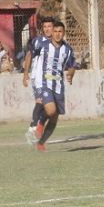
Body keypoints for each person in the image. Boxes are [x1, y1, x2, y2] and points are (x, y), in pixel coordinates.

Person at [33, 21, 76, 152]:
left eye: (60, 32)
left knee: (54, 118)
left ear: (64, 33)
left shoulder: (67, 50)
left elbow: (72, 66)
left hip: (59, 85)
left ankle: (41, 143)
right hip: (45, 82)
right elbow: (32, 56)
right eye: (55, 31)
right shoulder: (43, 46)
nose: (57, 34)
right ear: (52, 33)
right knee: (51, 110)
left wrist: (71, 74)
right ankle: (40, 123)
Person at [23, 17, 55, 144]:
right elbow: (29, 55)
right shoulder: (38, 41)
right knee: (41, 101)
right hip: (39, 77)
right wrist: (25, 73)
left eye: (49, 26)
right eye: (45, 27)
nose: (47, 29)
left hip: (50, 78)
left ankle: (35, 128)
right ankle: (32, 128)